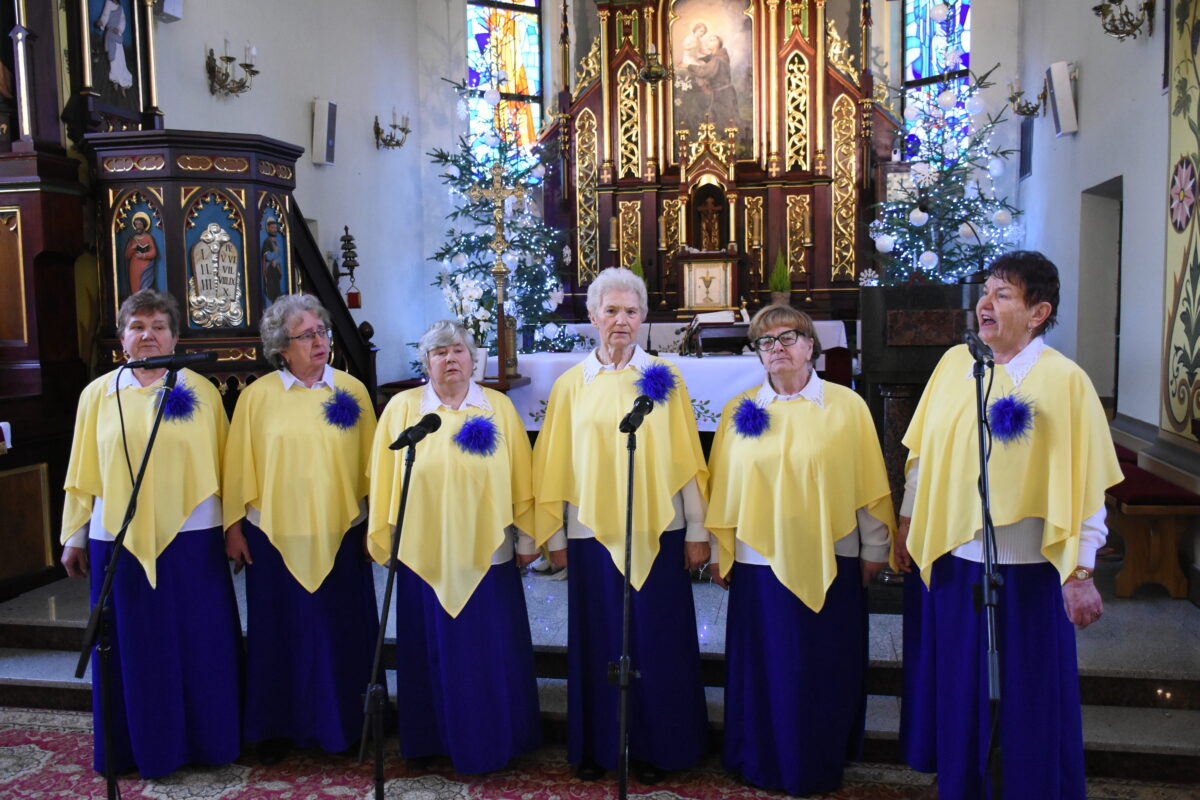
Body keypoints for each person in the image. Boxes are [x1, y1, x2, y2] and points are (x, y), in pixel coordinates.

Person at [894, 251, 1123, 799]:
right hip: (956, 563)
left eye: (1003, 294)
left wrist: (1082, 568)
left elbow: (1087, 484)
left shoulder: (1066, 381)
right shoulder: (956, 365)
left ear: (1038, 312)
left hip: (1030, 573)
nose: (985, 303)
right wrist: (907, 521)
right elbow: (924, 456)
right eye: (986, 291)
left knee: (1028, 695)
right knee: (962, 690)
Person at [705, 304, 895, 796]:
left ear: (811, 345)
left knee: (821, 666)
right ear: (758, 354)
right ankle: (758, 756)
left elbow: (869, 483)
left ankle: (818, 755)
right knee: (768, 667)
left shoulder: (845, 406)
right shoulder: (739, 410)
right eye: (766, 342)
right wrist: (719, 550)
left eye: (789, 337)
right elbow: (723, 488)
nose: (778, 348)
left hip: (832, 558)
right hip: (758, 562)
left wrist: (875, 546)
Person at [531, 267, 710, 784]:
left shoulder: (664, 380)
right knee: (597, 639)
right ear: (591, 317)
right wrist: (557, 538)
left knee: (658, 638)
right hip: (590, 533)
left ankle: (662, 745)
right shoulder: (570, 386)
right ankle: (597, 746)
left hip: (661, 529)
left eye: (631, 311)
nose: (621, 321)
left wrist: (697, 530)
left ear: (644, 318)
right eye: (610, 311)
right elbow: (555, 466)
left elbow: (687, 459)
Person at [60, 289, 241, 778]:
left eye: (159, 325)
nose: (148, 334)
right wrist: (73, 536)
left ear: (176, 336)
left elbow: (228, 467)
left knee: (197, 641)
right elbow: (81, 470)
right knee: (131, 645)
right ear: (122, 339)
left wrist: (233, 527)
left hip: (193, 535)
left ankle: (208, 742)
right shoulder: (97, 394)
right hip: (115, 538)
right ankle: (133, 747)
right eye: (138, 326)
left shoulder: (200, 390)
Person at [367, 319, 541, 773]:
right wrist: (388, 537)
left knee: (487, 650)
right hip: (424, 554)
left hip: (488, 555)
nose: (450, 359)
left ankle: (499, 736)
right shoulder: (403, 409)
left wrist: (526, 537)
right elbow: (384, 479)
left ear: (473, 358)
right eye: (439, 352)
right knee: (429, 649)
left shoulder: (497, 408)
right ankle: (430, 739)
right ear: (426, 362)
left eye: (458, 350)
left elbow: (522, 478)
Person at [223, 293, 379, 764]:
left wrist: (375, 528)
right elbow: (236, 468)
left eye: (322, 332)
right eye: (306, 335)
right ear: (281, 346)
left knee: (342, 633)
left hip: (342, 534)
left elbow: (375, 466)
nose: (319, 342)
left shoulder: (351, 391)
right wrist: (233, 527)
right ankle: (275, 728)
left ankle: (349, 727)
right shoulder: (255, 398)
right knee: (278, 635)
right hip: (273, 537)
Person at [125, 212, 157, 293]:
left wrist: (143, 255)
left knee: (145, 286)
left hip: (146, 266)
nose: (138, 226)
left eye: (140, 224)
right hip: (134, 267)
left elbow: (154, 252)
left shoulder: (148, 237)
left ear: (144, 225)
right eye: (136, 224)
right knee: (135, 287)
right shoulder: (132, 238)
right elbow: (127, 255)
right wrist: (132, 248)